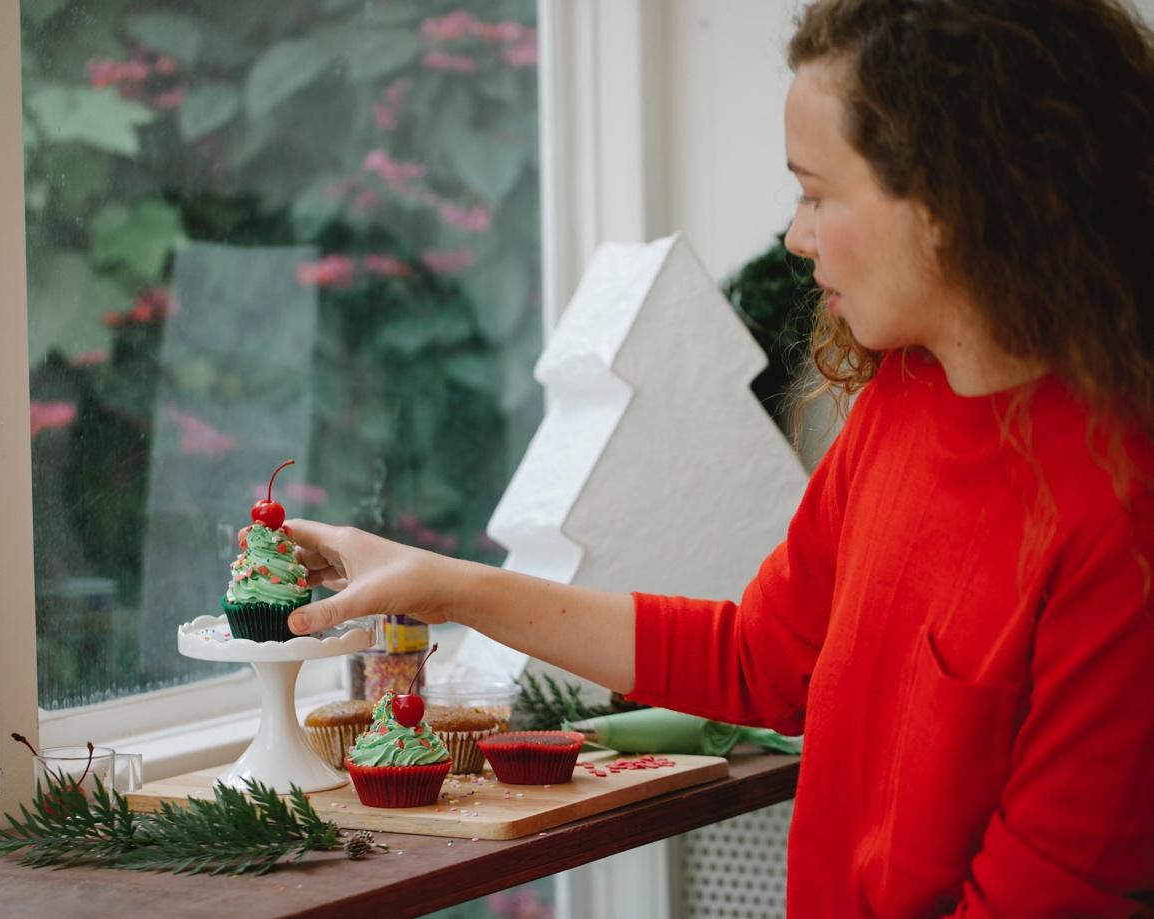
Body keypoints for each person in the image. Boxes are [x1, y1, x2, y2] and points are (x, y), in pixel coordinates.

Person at [277, 1, 1154, 914]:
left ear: (954, 198)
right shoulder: (904, 399)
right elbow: (759, 658)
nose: (795, 238)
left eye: (816, 193)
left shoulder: (1121, 522)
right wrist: (443, 584)